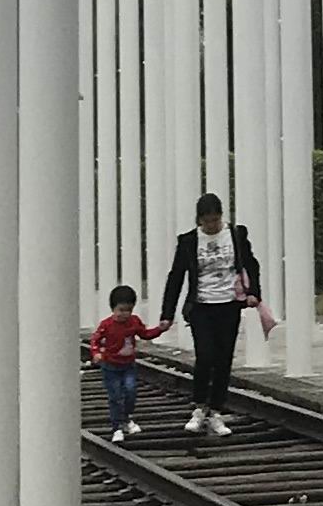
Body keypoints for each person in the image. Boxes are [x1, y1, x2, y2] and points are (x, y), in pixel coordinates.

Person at [160, 190, 261, 436]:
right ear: (199, 220)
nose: (211, 225)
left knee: (224, 358)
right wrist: (167, 312)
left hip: (229, 304)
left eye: (215, 220)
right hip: (201, 306)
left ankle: (216, 410)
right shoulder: (188, 241)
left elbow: (251, 264)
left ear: (221, 216)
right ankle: (199, 407)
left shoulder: (236, 235)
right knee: (205, 355)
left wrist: (254, 292)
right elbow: (176, 276)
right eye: (206, 222)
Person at [88, 283, 151, 443]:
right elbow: (95, 339)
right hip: (111, 366)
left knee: (130, 391)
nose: (125, 314)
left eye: (128, 310)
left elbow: (144, 334)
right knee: (115, 396)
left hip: (128, 364)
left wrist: (161, 329)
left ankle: (127, 418)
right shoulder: (106, 325)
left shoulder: (134, 321)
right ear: (113, 309)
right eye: (121, 310)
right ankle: (117, 426)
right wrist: (96, 353)